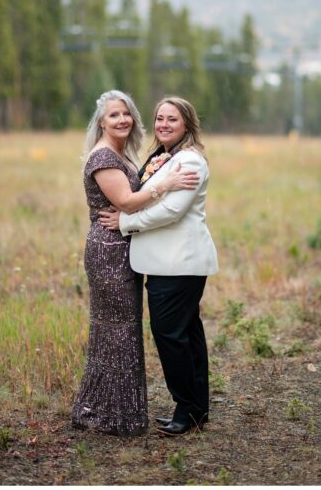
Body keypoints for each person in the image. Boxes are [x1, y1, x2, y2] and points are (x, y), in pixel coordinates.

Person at [71, 90, 199, 436]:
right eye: (114, 115)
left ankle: (109, 407)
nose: (122, 120)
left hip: (123, 246)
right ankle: (110, 413)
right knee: (117, 329)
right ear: (101, 121)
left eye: (126, 114)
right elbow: (126, 202)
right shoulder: (103, 157)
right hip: (109, 249)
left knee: (120, 328)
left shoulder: (118, 153)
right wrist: (167, 184)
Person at [99, 96, 218, 436]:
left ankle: (186, 407)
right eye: (160, 119)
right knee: (187, 335)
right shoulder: (165, 156)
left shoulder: (190, 162)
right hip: (170, 262)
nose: (164, 125)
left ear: (187, 125)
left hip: (178, 263)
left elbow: (171, 211)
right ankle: (197, 408)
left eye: (173, 120)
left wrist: (125, 222)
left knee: (170, 336)